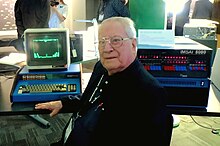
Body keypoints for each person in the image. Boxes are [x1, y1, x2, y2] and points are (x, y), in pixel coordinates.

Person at [35, 17, 173, 146]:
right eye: (102, 41)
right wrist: (64, 103)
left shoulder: (150, 94)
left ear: (133, 44)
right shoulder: (101, 67)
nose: (107, 48)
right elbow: (93, 98)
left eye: (116, 40)